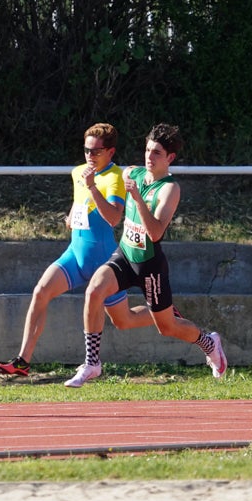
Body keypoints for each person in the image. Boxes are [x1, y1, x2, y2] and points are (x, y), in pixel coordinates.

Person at [64, 123, 227, 387]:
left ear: (170, 158)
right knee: (95, 292)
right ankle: (92, 363)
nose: (149, 158)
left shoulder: (169, 189)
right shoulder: (132, 173)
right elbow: (110, 182)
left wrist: (138, 199)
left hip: (150, 264)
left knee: (167, 327)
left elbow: (155, 233)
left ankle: (208, 342)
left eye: (157, 153)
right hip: (125, 255)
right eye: (148, 150)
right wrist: (92, 186)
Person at [0, 123, 154, 377]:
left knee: (124, 321)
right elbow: (81, 204)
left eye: (96, 151)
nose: (89, 156)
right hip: (76, 254)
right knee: (41, 292)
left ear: (110, 152)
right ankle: (23, 360)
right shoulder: (78, 172)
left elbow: (113, 218)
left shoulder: (115, 178)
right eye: (86, 150)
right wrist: (71, 217)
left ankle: (163, 312)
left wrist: (92, 186)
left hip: (103, 262)